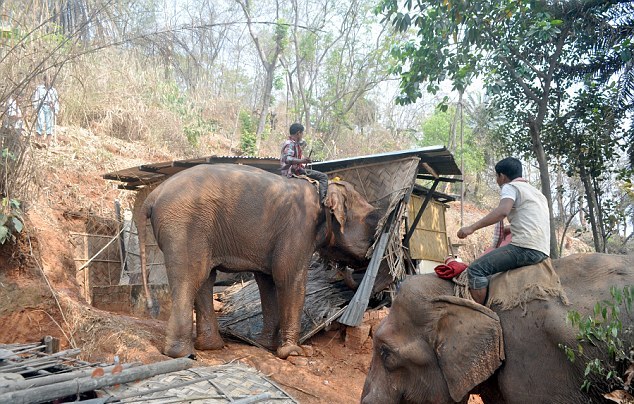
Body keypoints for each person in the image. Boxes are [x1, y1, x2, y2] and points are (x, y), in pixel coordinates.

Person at [457, 157, 550, 305]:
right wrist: (509, 228)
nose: (497, 180)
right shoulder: (537, 193)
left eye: (496, 176)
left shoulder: (510, 187)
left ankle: (482, 314)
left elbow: (503, 211)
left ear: (502, 176)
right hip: (543, 250)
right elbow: (533, 221)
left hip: (524, 248)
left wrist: (471, 228)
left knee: (475, 269)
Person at [280, 123, 328, 204]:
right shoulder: (290, 143)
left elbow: (301, 145)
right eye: (302, 133)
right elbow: (288, 159)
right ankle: (322, 201)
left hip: (294, 170)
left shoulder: (293, 143)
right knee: (323, 177)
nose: (302, 135)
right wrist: (302, 161)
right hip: (293, 172)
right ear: (298, 133)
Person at [32, 74, 60, 148]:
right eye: (46, 79)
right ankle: (38, 140)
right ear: (44, 80)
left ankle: (48, 142)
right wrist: (35, 108)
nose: (48, 81)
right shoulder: (39, 89)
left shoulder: (53, 90)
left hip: (50, 107)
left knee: (49, 124)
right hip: (41, 106)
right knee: (40, 122)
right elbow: (36, 98)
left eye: (49, 79)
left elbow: (56, 101)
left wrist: (56, 110)